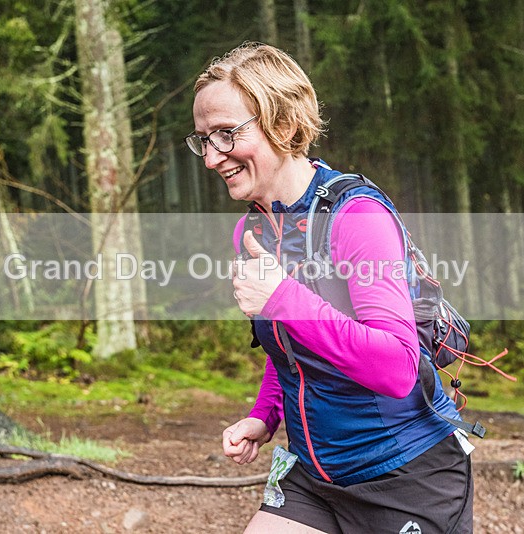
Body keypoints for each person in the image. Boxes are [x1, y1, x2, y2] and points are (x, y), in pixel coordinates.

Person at [185, 42, 474, 534]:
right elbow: (293, 352)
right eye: (203, 140)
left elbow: (397, 367)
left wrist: (282, 299)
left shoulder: (357, 217)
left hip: (405, 473)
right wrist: (264, 414)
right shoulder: (253, 232)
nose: (212, 159)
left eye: (226, 135)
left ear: (283, 124)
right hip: (314, 477)